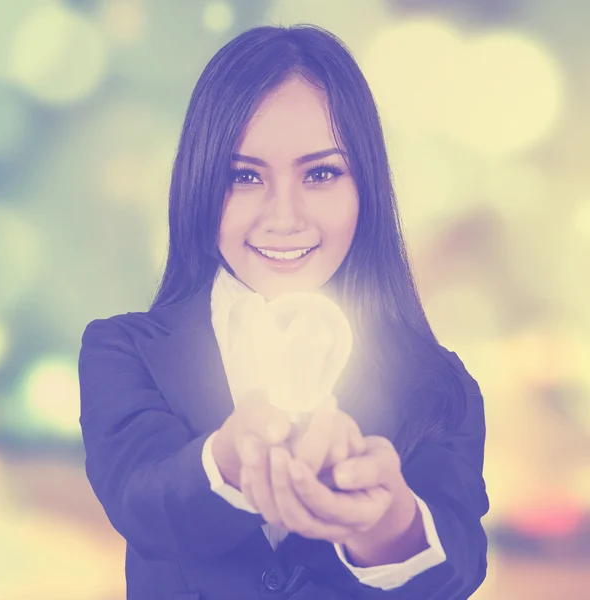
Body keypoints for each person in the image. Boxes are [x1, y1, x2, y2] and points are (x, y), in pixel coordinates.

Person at [78, 24, 489, 600]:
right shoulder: (123, 351)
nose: (284, 217)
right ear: (198, 184)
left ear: (365, 186)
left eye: (321, 173)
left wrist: (387, 523)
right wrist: (231, 460)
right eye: (243, 176)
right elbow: (142, 502)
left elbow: (457, 571)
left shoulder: (441, 384)